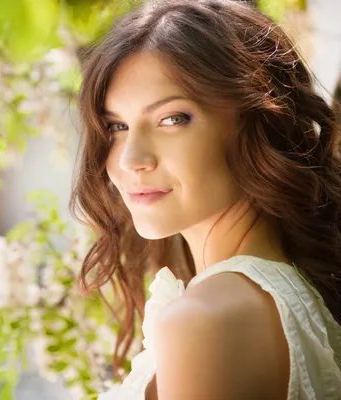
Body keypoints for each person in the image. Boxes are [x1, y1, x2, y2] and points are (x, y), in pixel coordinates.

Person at [70, 0, 341, 398]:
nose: (132, 160)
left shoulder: (206, 321)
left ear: (258, 121)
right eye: (116, 126)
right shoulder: (289, 290)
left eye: (172, 119)